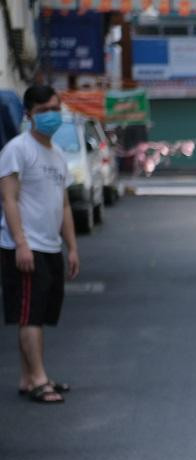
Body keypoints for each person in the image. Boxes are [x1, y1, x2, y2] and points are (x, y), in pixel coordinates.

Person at [0, 84, 78, 404]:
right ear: (29, 113)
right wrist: (21, 243)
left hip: (49, 246)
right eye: (44, 110)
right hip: (25, 247)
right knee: (29, 315)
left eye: (55, 109)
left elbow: (64, 205)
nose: (51, 116)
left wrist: (71, 247)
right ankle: (40, 380)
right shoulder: (17, 150)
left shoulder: (57, 155)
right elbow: (9, 198)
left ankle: (28, 376)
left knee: (38, 314)